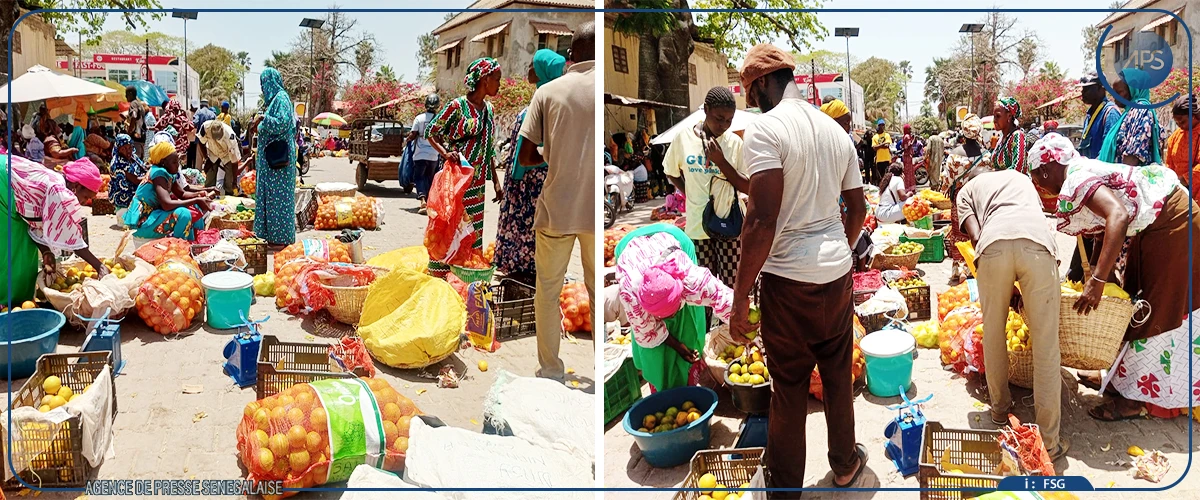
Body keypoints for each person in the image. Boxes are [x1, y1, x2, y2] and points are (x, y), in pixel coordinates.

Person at [731, 44, 867, 494]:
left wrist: (740, 296)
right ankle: (845, 464)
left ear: (763, 82)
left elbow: (761, 219)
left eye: (749, 90)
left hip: (788, 282)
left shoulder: (766, 129)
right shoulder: (835, 132)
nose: (750, 101)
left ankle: (785, 488)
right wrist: (840, 251)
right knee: (837, 374)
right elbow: (857, 208)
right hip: (836, 276)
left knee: (788, 386)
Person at [1028, 133, 1200, 422]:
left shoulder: (1076, 178)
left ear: (1045, 169)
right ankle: (1118, 376)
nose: (1038, 185)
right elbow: (1102, 231)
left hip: (1174, 224)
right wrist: (1097, 275)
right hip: (1155, 226)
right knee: (1132, 303)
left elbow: (1117, 216)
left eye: (1035, 177)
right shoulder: (1079, 173)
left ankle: (1136, 398)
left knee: (1154, 310)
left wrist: (1098, 281)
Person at [956, 167, 1066, 460]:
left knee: (993, 333)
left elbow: (975, 236)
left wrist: (1001, 277)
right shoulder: (1019, 178)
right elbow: (1035, 219)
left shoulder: (966, 190)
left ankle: (1000, 411)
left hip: (993, 245)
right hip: (1038, 246)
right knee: (1046, 344)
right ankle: (1049, 443)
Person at [516, 22, 596, 381]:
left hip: (557, 209)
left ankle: (550, 371)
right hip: (594, 211)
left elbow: (525, 156)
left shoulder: (547, 93)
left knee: (548, 293)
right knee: (596, 291)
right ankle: (602, 370)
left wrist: (553, 155)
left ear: (571, 54)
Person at [615, 224, 734, 391]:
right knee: (651, 349)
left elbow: (725, 300)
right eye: (662, 316)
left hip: (673, 239)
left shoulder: (691, 278)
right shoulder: (630, 294)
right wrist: (677, 346)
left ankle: (692, 371)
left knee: (689, 323)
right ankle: (658, 385)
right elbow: (645, 331)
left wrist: (746, 330)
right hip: (628, 246)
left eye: (673, 312)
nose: (670, 318)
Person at [663, 86, 748, 289]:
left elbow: (747, 185)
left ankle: (728, 313)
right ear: (706, 109)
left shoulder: (734, 143)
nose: (724, 125)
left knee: (729, 287)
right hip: (698, 228)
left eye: (729, 120)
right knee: (701, 289)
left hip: (729, 226)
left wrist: (721, 162)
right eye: (719, 118)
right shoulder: (684, 138)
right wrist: (689, 193)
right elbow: (670, 171)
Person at [427, 58, 504, 280]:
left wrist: (496, 182)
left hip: (477, 184)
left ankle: (466, 275)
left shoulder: (489, 110)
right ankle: (441, 275)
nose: (499, 84)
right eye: (497, 79)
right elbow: (431, 131)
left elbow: (489, 148)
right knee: (450, 226)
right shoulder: (457, 106)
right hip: (456, 181)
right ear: (485, 79)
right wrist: (445, 153)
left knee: (473, 231)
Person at [495, 49, 566, 285]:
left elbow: (539, 149)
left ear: (543, 71)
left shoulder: (544, 107)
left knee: (526, 228)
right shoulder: (546, 103)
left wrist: (539, 163)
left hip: (530, 183)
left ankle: (524, 274)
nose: (528, 69)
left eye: (532, 65)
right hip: (528, 180)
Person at [2, 154, 110, 305]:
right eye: (85, 197)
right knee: (10, 247)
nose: (84, 202)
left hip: (8, 182)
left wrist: (46, 252)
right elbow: (71, 235)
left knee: (24, 247)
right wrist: (99, 266)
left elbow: (38, 222)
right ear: (77, 186)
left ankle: (21, 300)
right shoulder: (58, 190)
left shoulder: (60, 184)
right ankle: (6, 302)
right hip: (3, 183)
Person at [249, 68, 299, 248]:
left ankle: (280, 238)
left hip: (279, 162)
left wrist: (263, 119)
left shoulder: (281, 98)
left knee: (278, 200)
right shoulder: (273, 101)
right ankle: (270, 236)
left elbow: (283, 123)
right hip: (270, 163)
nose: (263, 88)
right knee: (270, 198)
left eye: (264, 83)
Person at [941, 113, 993, 284]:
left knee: (958, 233)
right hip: (979, 199)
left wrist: (948, 189)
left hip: (959, 199)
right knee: (977, 231)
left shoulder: (954, 155)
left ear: (963, 131)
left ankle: (960, 268)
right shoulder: (986, 155)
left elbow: (947, 180)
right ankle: (976, 267)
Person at [123, 142, 210, 240]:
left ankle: (196, 241)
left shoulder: (169, 173)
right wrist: (196, 200)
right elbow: (166, 204)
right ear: (163, 162)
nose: (177, 165)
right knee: (183, 214)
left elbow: (182, 194)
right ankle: (180, 246)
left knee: (194, 207)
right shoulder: (158, 173)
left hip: (154, 216)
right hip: (143, 222)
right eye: (174, 162)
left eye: (178, 162)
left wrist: (199, 195)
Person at [1101, 68, 1163, 167]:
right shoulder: (1128, 113)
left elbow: (1133, 157)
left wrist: (1119, 176)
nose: (1114, 97)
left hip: (1129, 175)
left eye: (1119, 92)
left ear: (1133, 90)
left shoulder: (1140, 111)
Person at [408, 94, 443, 214]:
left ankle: (423, 199)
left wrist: (406, 140)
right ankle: (429, 202)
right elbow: (441, 138)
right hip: (434, 155)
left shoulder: (419, 118)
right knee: (430, 178)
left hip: (420, 155)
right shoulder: (439, 119)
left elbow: (413, 135)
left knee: (419, 177)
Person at [1079, 73, 1122, 160]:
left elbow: (1109, 152)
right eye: (1083, 88)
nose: (1083, 92)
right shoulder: (1089, 115)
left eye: (1087, 88)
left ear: (1101, 88)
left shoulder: (1110, 113)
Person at [107, 134, 149, 220]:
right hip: (123, 193)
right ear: (119, 149)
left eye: (130, 147)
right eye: (124, 149)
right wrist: (150, 176)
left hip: (135, 186)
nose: (128, 151)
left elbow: (143, 167)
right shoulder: (118, 163)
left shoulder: (132, 156)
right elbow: (136, 180)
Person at [1166, 95, 1200, 197]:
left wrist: (1185, 179)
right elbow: (1169, 164)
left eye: (1182, 122)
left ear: (1193, 116)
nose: (1180, 126)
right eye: (1177, 123)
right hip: (1180, 191)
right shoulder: (1175, 136)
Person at [198, 118, 242, 196]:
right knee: (210, 179)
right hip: (213, 152)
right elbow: (201, 142)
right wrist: (206, 158)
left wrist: (234, 181)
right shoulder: (205, 127)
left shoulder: (230, 135)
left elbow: (234, 161)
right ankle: (209, 195)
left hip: (227, 155)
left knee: (230, 182)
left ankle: (228, 195)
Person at [993, 97, 1028, 174]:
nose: (994, 120)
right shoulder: (1001, 139)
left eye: (998, 116)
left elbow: (1018, 169)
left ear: (1009, 116)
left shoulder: (1017, 136)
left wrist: (994, 175)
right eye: (994, 116)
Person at [158, 99, 195, 166]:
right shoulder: (181, 119)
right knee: (179, 166)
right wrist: (184, 115)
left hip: (166, 149)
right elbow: (191, 127)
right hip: (180, 150)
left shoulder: (163, 118)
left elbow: (157, 128)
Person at [125, 88, 152, 158]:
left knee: (135, 158)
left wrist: (129, 132)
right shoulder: (139, 104)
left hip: (136, 137)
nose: (125, 96)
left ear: (130, 94)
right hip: (142, 138)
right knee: (140, 159)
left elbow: (134, 116)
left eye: (126, 94)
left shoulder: (133, 103)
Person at [871, 118, 893, 186]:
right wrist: (883, 144)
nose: (882, 126)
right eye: (881, 125)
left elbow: (887, 145)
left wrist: (879, 146)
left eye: (883, 125)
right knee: (880, 178)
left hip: (886, 159)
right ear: (878, 126)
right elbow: (874, 148)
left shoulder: (887, 135)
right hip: (879, 160)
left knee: (887, 177)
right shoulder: (874, 137)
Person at [901, 124, 917, 188]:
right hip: (907, 156)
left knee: (908, 172)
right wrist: (913, 140)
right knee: (908, 173)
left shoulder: (905, 136)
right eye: (909, 129)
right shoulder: (907, 136)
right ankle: (908, 187)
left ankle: (909, 187)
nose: (910, 130)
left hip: (906, 156)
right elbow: (907, 146)